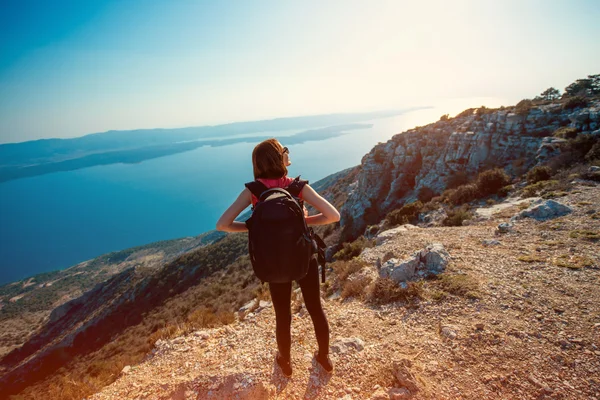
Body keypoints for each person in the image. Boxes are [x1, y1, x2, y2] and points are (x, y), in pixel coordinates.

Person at [216, 138, 340, 377]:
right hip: (304, 256)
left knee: (282, 314)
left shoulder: (254, 191)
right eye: (284, 150)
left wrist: (253, 227)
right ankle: (324, 357)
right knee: (315, 308)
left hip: (273, 260)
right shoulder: (297, 187)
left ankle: (285, 362)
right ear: (278, 158)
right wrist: (304, 222)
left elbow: (222, 224)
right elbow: (333, 216)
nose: (287, 153)